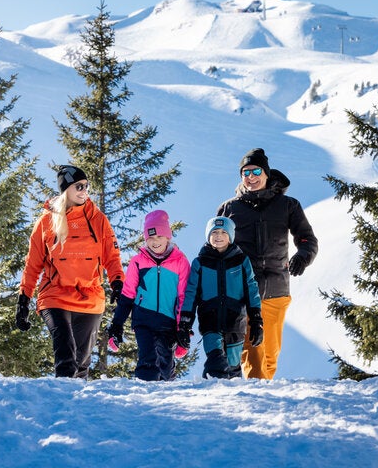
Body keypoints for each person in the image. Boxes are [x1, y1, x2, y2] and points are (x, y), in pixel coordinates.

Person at [216, 148, 318, 380]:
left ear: (266, 173)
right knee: (253, 350)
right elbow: (216, 245)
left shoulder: (288, 205)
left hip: (276, 288)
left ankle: (264, 394)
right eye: (245, 173)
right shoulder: (230, 208)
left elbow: (307, 238)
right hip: (243, 289)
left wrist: (303, 256)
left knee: (270, 355)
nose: (250, 177)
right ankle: (255, 398)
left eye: (255, 171)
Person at [16, 165, 124, 378]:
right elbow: (33, 264)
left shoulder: (98, 220)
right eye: (79, 186)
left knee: (81, 363)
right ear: (66, 190)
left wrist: (117, 282)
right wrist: (23, 300)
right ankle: (62, 396)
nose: (85, 191)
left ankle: (76, 406)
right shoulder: (46, 221)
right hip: (55, 295)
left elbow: (112, 256)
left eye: (87, 186)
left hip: (90, 297)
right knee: (66, 355)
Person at [106, 209, 191, 381]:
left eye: (159, 236)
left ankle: (166, 394)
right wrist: (117, 325)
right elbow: (128, 295)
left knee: (166, 366)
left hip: (167, 322)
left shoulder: (180, 262)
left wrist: (183, 329)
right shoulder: (138, 262)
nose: (155, 242)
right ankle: (144, 395)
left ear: (168, 236)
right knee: (148, 359)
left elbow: (184, 298)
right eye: (150, 238)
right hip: (143, 319)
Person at [178, 216, 262, 379]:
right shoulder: (200, 263)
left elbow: (252, 291)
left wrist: (257, 321)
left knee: (232, 366)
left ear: (230, 236)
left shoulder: (242, 261)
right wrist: (185, 324)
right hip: (210, 321)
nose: (218, 236)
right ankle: (209, 391)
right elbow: (191, 294)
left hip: (236, 322)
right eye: (214, 232)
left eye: (223, 232)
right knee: (215, 361)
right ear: (208, 236)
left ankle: (231, 400)